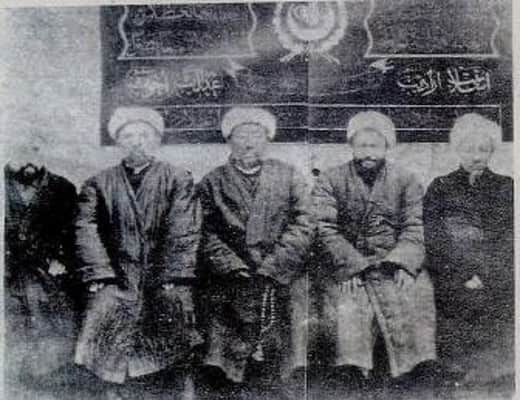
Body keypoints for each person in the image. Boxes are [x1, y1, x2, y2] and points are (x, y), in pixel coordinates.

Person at [74, 107, 201, 399]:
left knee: (172, 316)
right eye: (128, 136)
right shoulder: (98, 183)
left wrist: (173, 275)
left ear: (156, 140)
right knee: (104, 313)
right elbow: (86, 228)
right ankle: (111, 388)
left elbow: (184, 229)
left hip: (162, 274)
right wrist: (101, 274)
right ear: (119, 142)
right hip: (116, 274)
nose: (137, 142)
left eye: (144, 135)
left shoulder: (177, 178)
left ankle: (172, 389)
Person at [312, 111, 436, 396]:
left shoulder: (406, 179)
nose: (368, 153)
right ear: (352, 146)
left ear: (386, 147)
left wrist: (404, 263)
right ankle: (354, 371)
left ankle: (414, 370)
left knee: (418, 290)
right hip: (349, 264)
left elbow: (415, 225)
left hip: (393, 262)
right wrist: (350, 266)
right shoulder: (330, 179)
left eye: (375, 146)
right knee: (347, 302)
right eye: (362, 145)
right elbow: (324, 228)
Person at [196, 107, 313, 399]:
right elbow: (203, 230)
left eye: (256, 135)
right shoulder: (211, 181)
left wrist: (275, 264)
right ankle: (227, 380)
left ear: (267, 140)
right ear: (229, 140)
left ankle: (287, 377)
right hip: (232, 270)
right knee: (221, 310)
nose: (249, 143)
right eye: (241, 136)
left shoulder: (289, 175)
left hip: (282, 267)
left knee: (295, 306)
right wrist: (231, 264)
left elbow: (305, 222)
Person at [423, 113, 514, 387]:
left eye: (483, 149)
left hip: (495, 273)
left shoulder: (507, 187)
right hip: (452, 272)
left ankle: (494, 373)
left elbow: (508, 238)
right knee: (453, 306)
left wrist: (485, 274)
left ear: (492, 151)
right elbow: (433, 237)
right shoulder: (440, 187)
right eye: (469, 149)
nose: (476, 156)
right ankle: (455, 372)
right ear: (457, 150)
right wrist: (463, 274)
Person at [4, 134, 79, 392]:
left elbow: (74, 233)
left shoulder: (62, 189)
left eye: (34, 150)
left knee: (55, 318)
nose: (28, 159)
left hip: (46, 269)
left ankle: (46, 377)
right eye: (19, 151)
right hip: (8, 269)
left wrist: (61, 260)